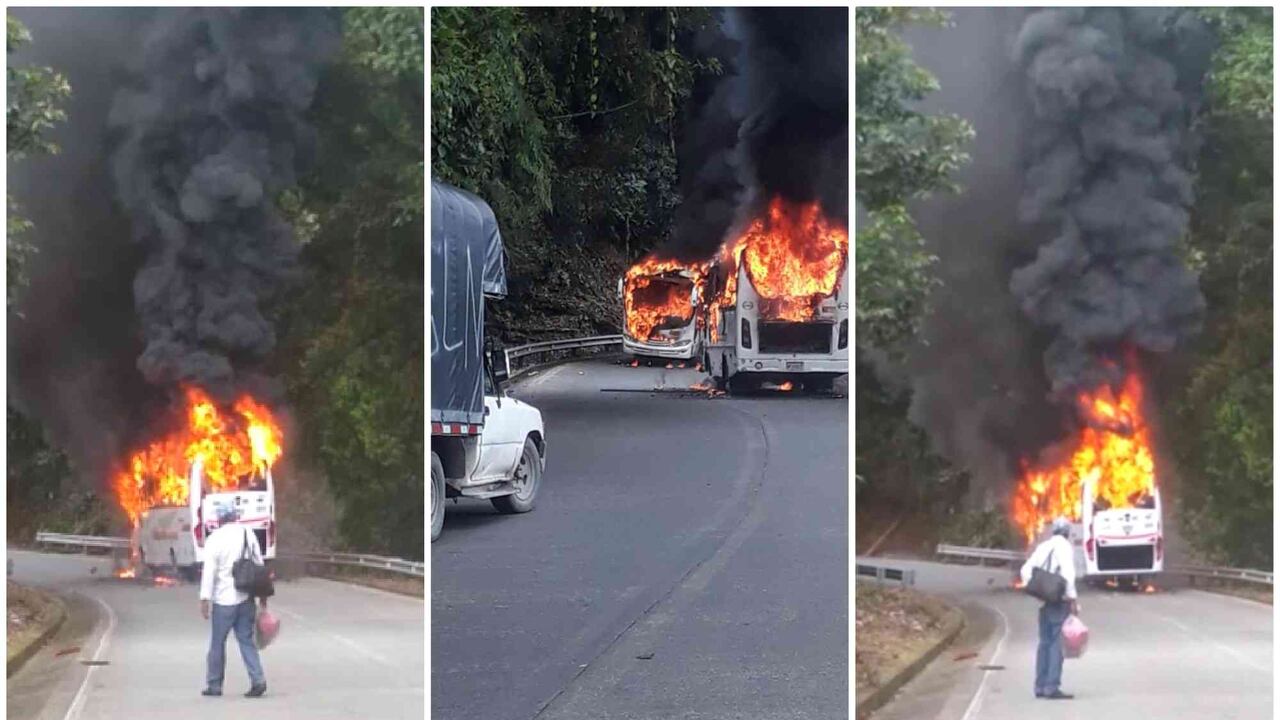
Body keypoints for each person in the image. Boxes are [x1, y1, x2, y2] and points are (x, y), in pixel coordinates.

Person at [199, 504, 268, 698]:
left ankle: (214, 685)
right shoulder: (247, 533)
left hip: (223, 601)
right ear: (235, 516)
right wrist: (262, 596)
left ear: (219, 519)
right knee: (246, 641)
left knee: (217, 643)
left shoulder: (214, 539)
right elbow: (258, 565)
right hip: (246, 597)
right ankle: (258, 680)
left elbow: (209, 572)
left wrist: (205, 599)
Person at [1019, 516, 1080, 700]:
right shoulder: (1065, 547)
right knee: (1056, 644)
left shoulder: (1043, 546)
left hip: (1045, 602)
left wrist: (1038, 587)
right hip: (1059, 601)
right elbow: (1068, 574)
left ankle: (1039, 686)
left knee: (1044, 643)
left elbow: (1025, 570)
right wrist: (1073, 599)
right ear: (1067, 532)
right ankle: (1051, 687)